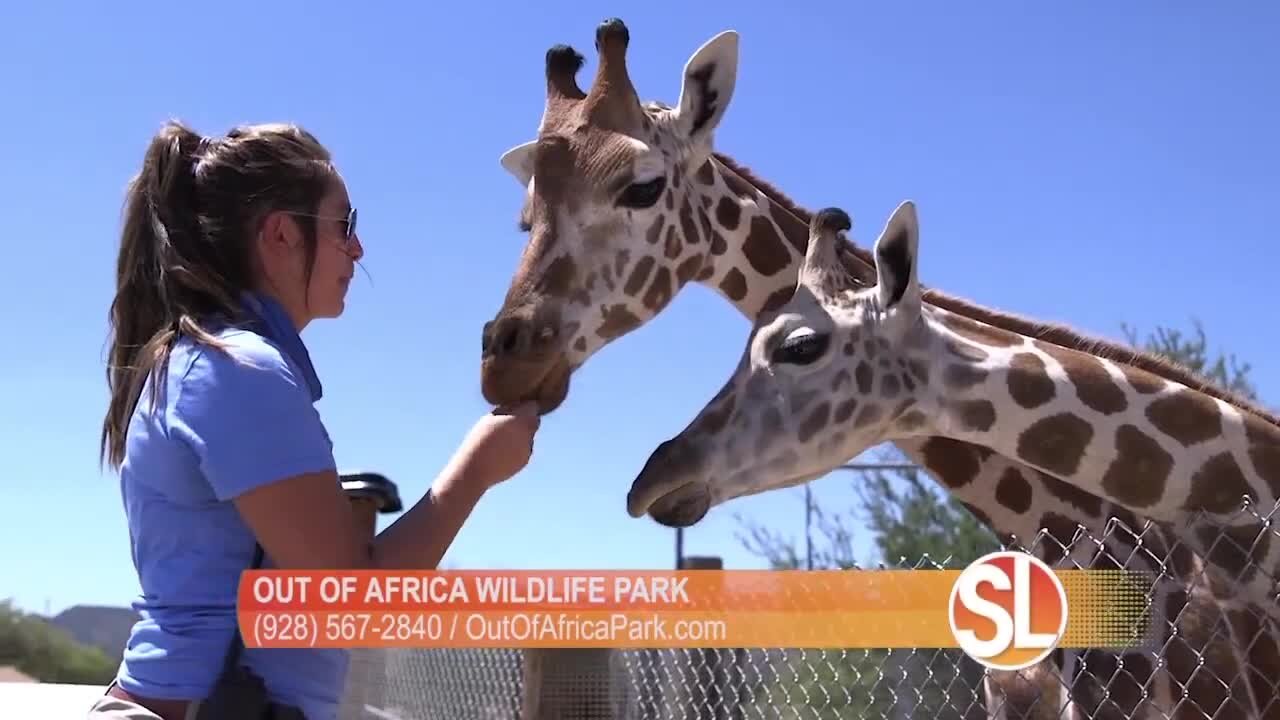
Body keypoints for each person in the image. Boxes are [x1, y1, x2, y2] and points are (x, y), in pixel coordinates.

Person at [86, 120, 542, 720]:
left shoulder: (203, 361)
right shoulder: (240, 371)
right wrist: (478, 468)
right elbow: (352, 600)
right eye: (344, 226)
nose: (358, 249)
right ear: (280, 233)